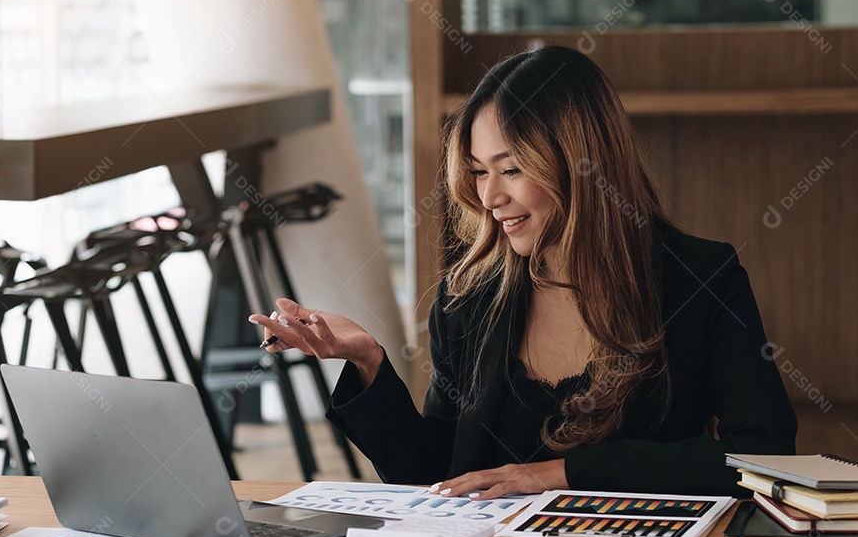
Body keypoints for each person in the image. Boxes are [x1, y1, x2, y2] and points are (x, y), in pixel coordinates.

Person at [248, 45, 797, 499]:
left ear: (582, 163)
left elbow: (764, 456)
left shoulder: (700, 278)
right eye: (480, 171)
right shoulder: (467, 301)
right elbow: (438, 478)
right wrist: (368, 361)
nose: (489, 196)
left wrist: (558, 475)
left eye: (511, 168)